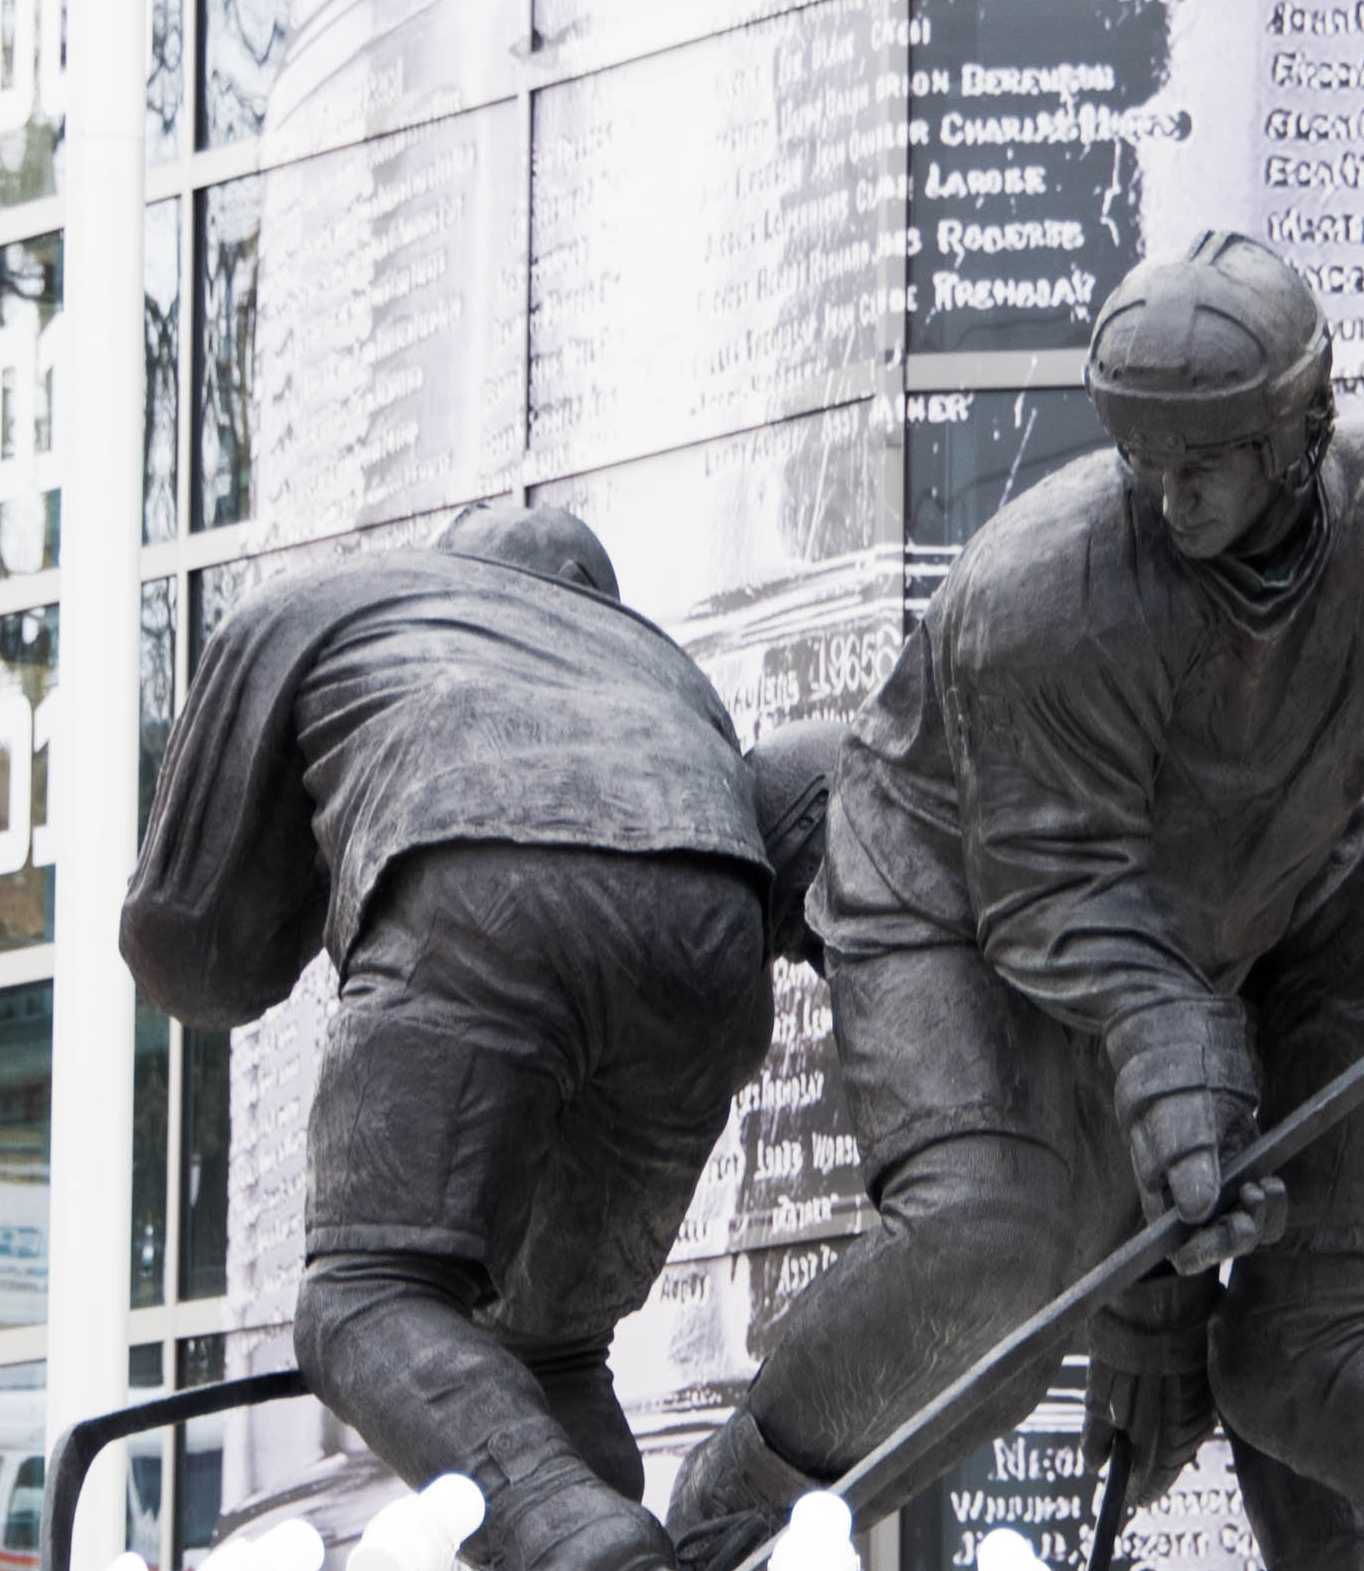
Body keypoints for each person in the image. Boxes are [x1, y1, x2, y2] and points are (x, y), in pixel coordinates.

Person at [666, 233, 1364, 1571]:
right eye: (1142, 457)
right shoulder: (1041, 596)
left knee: (1297, 1350)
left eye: (1202, 458)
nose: (1169, 496)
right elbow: (1066, 902)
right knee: (988, 1244)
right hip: (1023, 918)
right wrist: (1172, 1185)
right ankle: (706, 1541)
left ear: (1302, 429)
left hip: (1321, 883)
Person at [122, 504, 844, 1571]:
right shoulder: (665, 668)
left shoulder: (326, 603)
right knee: (548, 1352)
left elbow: (188, 951)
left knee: (365, 1296)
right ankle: (592, 1529)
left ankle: (582, 1543)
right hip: (708, 940)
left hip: (478, 898)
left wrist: (328, 896)